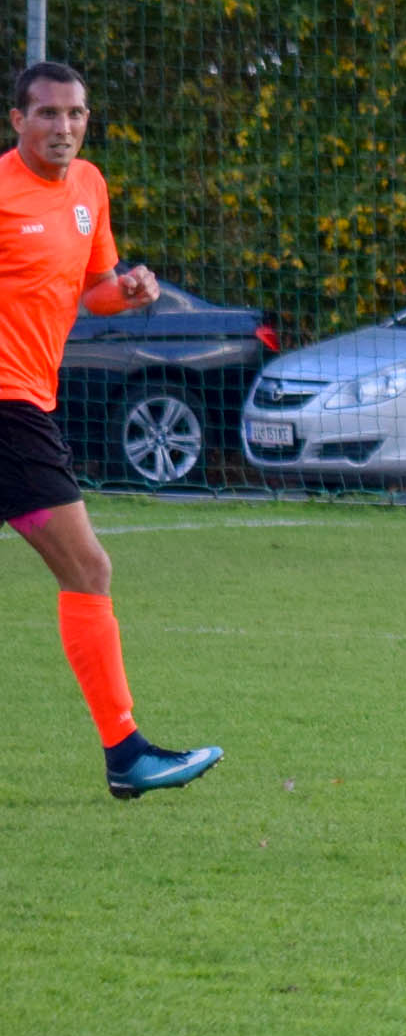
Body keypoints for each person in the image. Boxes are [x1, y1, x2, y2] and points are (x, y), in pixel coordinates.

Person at [0, 61, 220, 799]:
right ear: (17, 121)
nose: (63, 127)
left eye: (75, 114)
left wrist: (128, 292)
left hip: (30, 400)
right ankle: (127, 754)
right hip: (7, 406)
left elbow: (93, 290)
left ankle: (128, 757)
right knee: (89, 569)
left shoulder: (89, 187)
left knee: (87, 571)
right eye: (48, 113)